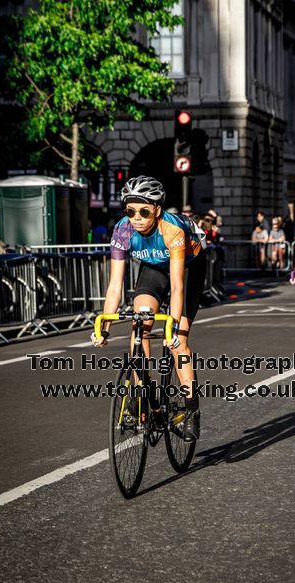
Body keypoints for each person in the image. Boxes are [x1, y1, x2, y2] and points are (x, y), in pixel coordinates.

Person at [91, 176, 206, 441]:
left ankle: (191, 411)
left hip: (187, 269)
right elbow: (114, 286)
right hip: (154, 269)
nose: (136, 218)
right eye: (130, 211)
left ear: (156, 208)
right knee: (139, 324)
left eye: (143, 211)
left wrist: (173, 328)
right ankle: (140, 391)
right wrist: (104, 329)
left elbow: (177, 287)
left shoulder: (172, 229)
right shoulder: (122, 231)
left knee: (178, 344)